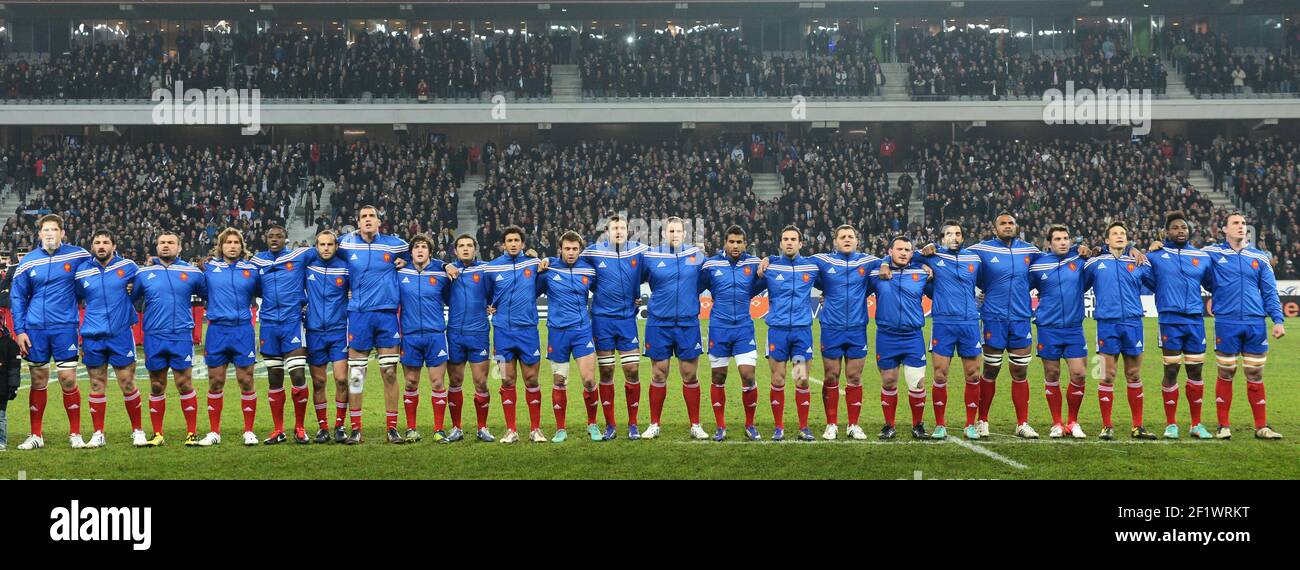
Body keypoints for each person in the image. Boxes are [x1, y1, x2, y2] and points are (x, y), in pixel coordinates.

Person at [1202, 212, 1286, 439]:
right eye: (1236, 223)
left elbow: (1269, 291)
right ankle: (1223, 426)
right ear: (1224, 230)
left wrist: (1278, 320)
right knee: (1226, 371)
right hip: (1226, 322)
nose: (1241, 227)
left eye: (1243, 224)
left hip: (1255, 323)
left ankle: (1261, 427)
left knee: (1255, 373)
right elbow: (1186, 261)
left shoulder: (1259, 257)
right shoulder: (1212, 253)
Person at [11, 214, 90, 450]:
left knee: (68, 379)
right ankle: (36, 435)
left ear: (62, 233)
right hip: (35, 330)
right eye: (45, 230)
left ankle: (75, 434)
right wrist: (20, 330)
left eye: (54, 229)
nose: (50, 234)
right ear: (39, 234)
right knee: (38, 380)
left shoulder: (78, 255)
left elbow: (99, 268)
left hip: (64, 327)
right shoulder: (28, 262)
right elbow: (17, 297)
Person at [339, 205, 411, 445]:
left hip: (387, 314)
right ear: (357, 222)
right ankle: (356, 429)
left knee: (389, 372)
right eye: (363, 217)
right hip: (359, 315)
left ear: (379, 222)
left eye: (372, 217)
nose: (368, 220)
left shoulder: (396, 244)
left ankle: (392, 428)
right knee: (357, 373)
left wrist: (443, 265)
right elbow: (321, 252)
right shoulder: (344, 244)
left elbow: (422, 253)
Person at [1081, 222, 1157, 441]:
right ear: (1107, 240)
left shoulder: (1137, 261)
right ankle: (1106, 426)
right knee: (1106, 375)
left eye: (1123, 233)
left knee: (1133, 374)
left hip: (1133, 324)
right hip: (1106, 325)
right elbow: (1079, 285)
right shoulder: (1095, 263)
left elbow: (1156, 283)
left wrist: (1150, 253)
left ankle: (1138, 426)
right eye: (1115, 233)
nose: (1119, 236)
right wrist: (1084, 253)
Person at [1143, 211, 1215, 439]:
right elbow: (1144, 277)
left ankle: (1196, 424)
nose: (1180, 230)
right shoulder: (1155, 256)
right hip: (1169, 320)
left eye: (1183, 227)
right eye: (1174, 227)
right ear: (1166, 232)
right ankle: (1171, 424)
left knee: (1195, 369)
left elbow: (1213, 284)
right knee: (1171, 369)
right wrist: (1146, 251)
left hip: (1195, 319)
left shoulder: (1201, 257)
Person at [809, 225, 884, 440]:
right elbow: (797, 260)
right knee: (831, 376)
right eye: (842, 237)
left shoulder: (868, 261)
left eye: (851, 236)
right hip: (832, 327)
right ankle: (831, 423)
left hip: (857, 328)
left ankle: (853, 424)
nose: (847, 239)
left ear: (857, 240)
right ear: (835, 241)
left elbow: (895, 258)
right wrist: (770, 260)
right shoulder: (824, 261)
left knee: (854, 376)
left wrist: (924, 266)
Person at [132, 232, 207, 447]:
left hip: (181, 335)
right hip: (154, 335)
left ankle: (191, 433)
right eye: (162, 243)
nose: (166, 246)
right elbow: (131, 298)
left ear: (179, 247)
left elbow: (209, 294)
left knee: (184, 383)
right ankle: (157, 434)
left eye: (170, 243)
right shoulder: (144, 274)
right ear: (156, 247)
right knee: (156, 384)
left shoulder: (192, 272)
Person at [73, 230, 145, 447]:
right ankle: (98, 433)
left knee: (128, 383)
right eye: (97, 242)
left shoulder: (129, 267)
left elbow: (141, 291)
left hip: (120, 334)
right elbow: (76, 298)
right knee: (96, 384)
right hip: (93, 336)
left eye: (106, 242)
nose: (101, 246)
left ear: (114, 245)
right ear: (92, 246)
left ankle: (138, 430)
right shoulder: (81, 272)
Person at [639, 217, 707, 440]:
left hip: (687, 323)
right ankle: (654, 424)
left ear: (684, 234)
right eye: (671, 230)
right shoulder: (650, 256)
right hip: (659, 323)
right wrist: (632, 298)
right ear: (664, 233)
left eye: (678, 231)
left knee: (689, 374)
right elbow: (631, 278)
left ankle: (695, 424)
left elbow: (709, 278)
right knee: (659, 373)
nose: (675, 234)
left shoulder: (696, 255)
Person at [913, 220, 981, 440]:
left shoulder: (974, 258)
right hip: (943, 323)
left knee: (973, 375)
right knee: (940, 375)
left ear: (962, 237)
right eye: (949, 234)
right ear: (942, 239)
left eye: (958, 233)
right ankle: (940, 424)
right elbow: (902, 256)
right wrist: (924, 254)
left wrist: (985, 293)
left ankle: (970, 424)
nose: (954, 237)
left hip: (970, 322)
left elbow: (991, 280)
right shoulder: (932, 255)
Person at [580, 215, 647, 440]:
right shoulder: (592, 252)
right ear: (606, 231)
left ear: (628, 230)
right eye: (614, 227)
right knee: (606, 372)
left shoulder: (638, 250)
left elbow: (663, 260)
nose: (618, 230)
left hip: (627, 319)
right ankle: (610, 425)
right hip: (602, 321)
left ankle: (634, 424)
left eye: (622, 227)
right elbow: (568, 259)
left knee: (632, 371)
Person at [196, 228, 262, 447]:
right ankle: (214, 432)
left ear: (241, 246)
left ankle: (249, 431)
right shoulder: (208, 268)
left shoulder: (252, 269)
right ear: (221, 246)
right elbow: (200, 290)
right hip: (217, 331)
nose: (232, 246)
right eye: (228, 242)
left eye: (236, 242)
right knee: (215, 382)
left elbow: (265, 291)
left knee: (246, 380)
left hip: (243, 329)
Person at [698, 225, 764, 441]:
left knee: (748, 375)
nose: (735, 246)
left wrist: (769, 259)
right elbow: (695, 287)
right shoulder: (711, 264)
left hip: (744, 328)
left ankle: (750, 424)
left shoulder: (754, 264)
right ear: (725, 243)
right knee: (718, 376)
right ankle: (720, 426)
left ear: (745, 244)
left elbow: (762, 283)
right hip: (719, 328)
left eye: (739, 242)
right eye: (732, 242)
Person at [249, 225, 313, 444]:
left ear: (286, 238)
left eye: (278, 236)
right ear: (265, 239)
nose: (274, 239)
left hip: (292, 322)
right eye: (270, 236)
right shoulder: (257, 262)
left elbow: (330, 247)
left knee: (297, 375)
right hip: (268, 324)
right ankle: (278, 430)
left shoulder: (299, 255)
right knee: (274, 378)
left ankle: (300, 428)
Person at [483, 225, 546, 444]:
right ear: (503, 244)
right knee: (507, 380)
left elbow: (539, 287)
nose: (512, 244)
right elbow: (486, 294)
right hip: (501, 332)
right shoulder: (491, 269)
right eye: (509, 240)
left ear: (522, 243)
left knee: (532, 379)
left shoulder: (533, 264)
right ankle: (511, 430)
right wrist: (489, 306)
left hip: (528, 331)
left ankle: (535, 429)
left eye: (516, 240)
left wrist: (540, 258)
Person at [757, 226, 820, 441]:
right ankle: (779, 427)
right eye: (786, 239)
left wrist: (827, 296)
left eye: (794, 239)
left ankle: (803, 427)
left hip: (801, 334)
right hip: (777, 333)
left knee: (801, 380)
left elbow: (834, 281)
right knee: (778, 379)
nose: (790, 242)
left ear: (801, 243)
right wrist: (767, 258)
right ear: (781, 243)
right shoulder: (771, 267)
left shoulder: (811, 266)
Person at [539, 231, 600, 442]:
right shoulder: (549, 269)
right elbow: (528, 291)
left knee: (590, 380)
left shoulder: (589, 270)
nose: (571, 252)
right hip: (557, 333)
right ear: (560, 249)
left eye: (575, 249)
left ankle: (592, 424)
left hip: (582, 331)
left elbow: (605, 290)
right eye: (567, 248)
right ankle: (560, 428)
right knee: (559, 380)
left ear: (580, 250)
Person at [869, 236, 932, 440]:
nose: (904, 253)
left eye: (907, 250)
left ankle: (918, 425)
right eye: (899, 249)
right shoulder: (876, 274)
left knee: (917, 384)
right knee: (888, 382)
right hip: (887, 336)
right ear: (890, 252)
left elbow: (938, 288)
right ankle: (889, 425)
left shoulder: (921, 273)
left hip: (912, 336)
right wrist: (883, 263)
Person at [1030, 225, 1088, 439]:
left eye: (1066, 238)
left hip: (1074, 328)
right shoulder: (1037, 266)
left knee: (1080, 374)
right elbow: (1019, 288)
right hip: (1048, 328)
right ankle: (1057, 423)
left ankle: (1073, 422)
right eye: (1057, 239)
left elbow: (1104, 254)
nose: (1062, 242)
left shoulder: (1080, 260)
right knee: (1052, 374)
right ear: (1049, 243)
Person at [396, 234, 452, 443]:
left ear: (430, 251)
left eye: (424, 247)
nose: (420, 250)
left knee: (438, 383)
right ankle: (411, 428)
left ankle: (439, 430)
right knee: (410, 383)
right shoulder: (400, 272)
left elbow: (451, 298)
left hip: (435, 335)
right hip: (409, 336)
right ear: (410, 252)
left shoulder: (441, 272)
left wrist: (445, 265)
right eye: (416, 247)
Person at [445, 234, 494, 442]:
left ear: (475, 249)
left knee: (481, 382)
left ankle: (482, 427)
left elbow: (500, 288)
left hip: (479, 333)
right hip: (454, 333)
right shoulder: (446, 272)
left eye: (469, 246)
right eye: (461, 246)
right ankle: (456, 428)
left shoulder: (485, 270)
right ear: (455, 251)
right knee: (455, 381)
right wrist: (446, 265)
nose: (465, 249)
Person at [304, 230, 351, 443]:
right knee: (319, 382)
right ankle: (323, 427)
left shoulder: (345, 267)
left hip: (339, 331)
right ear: (316, 246)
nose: (325, 248)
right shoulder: (307, 266)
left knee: (341, 379)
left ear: (336, 246)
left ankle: (340, 425)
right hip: (314, 332)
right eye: (321, 244)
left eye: (329, 244)